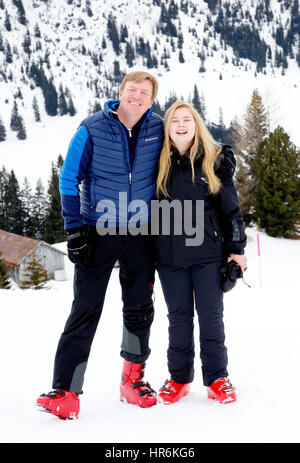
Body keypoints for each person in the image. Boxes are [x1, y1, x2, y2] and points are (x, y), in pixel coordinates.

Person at [36, 71, 164, 419]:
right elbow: (68, 177)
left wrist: (220, 161)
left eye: (145, 93)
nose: (137, 97)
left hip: (141, 233)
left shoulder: (159, 128)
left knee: (139, 308)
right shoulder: (91, 128)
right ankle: (66, 390)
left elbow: (188, 150)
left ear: (151, 100)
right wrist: (75, 230)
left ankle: (132, 381)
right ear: (120, 92)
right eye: (132, 90)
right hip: (98, 230)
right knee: (86, 308)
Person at [155, 101, 247, 405]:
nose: (181, 125)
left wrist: (237, 250)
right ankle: (179, 378)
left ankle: (218, 378)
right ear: (167, 128)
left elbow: (231, 211)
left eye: (187, 120)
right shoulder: (157, 163)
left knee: (211, 317)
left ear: (197, 125)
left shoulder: (214, 161)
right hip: (170, 259)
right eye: (174, 121)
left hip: (209, 255)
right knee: (178, 319)